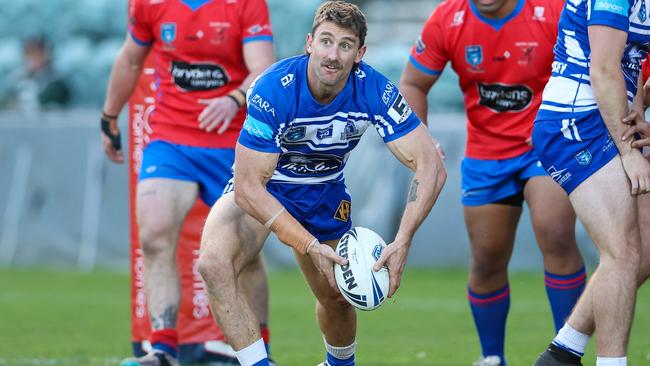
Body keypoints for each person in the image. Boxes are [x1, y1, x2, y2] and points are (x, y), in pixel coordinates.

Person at [197, 2, 447, 365]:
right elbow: (250, 187)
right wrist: (308, 243)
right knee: (213, 264)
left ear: (359, 53)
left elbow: (430, 165)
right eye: (326, 42)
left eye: (345, 45)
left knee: (336, 296)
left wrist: (404, 238)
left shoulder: (374, 89)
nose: (333, 55)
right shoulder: (272, 89)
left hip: (324, 193)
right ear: (309, 43)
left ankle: (339, 362)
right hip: (268, 189)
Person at [399, 0, 586, 364]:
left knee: (556, 233)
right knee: (486, 259)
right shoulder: (447, 18)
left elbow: (593, 64)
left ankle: (567, 352)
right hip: (486, 154)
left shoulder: (550, 10)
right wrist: (421, 139)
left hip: (544, 145)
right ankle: (491, 357)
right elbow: (412, 83)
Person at [99, 0, 276, 365]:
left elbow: (263, 69)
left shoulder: (246, 4)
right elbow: (131, 59)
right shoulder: (148, 3)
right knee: (154, 233)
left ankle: (262, 352)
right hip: (170, 138)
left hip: (233, 142)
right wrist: (109, 115)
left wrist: (235, 98)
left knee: (247, 253)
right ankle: (162, 348)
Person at [528, 0, 650, 363]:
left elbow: (633, 66)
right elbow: (603, 70)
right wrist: (630, 156)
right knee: (623, 251)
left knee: (643, 247)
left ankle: (563, 351)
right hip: (576, 122)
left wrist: (640, 106)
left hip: (611, 120)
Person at [1, 36, 70, 111]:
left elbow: (51, 99)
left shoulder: (57, 79)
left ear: (47, 55)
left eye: (37, 54)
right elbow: (5, 101)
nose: (33, 59)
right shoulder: (17, 77)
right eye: (29, 54)